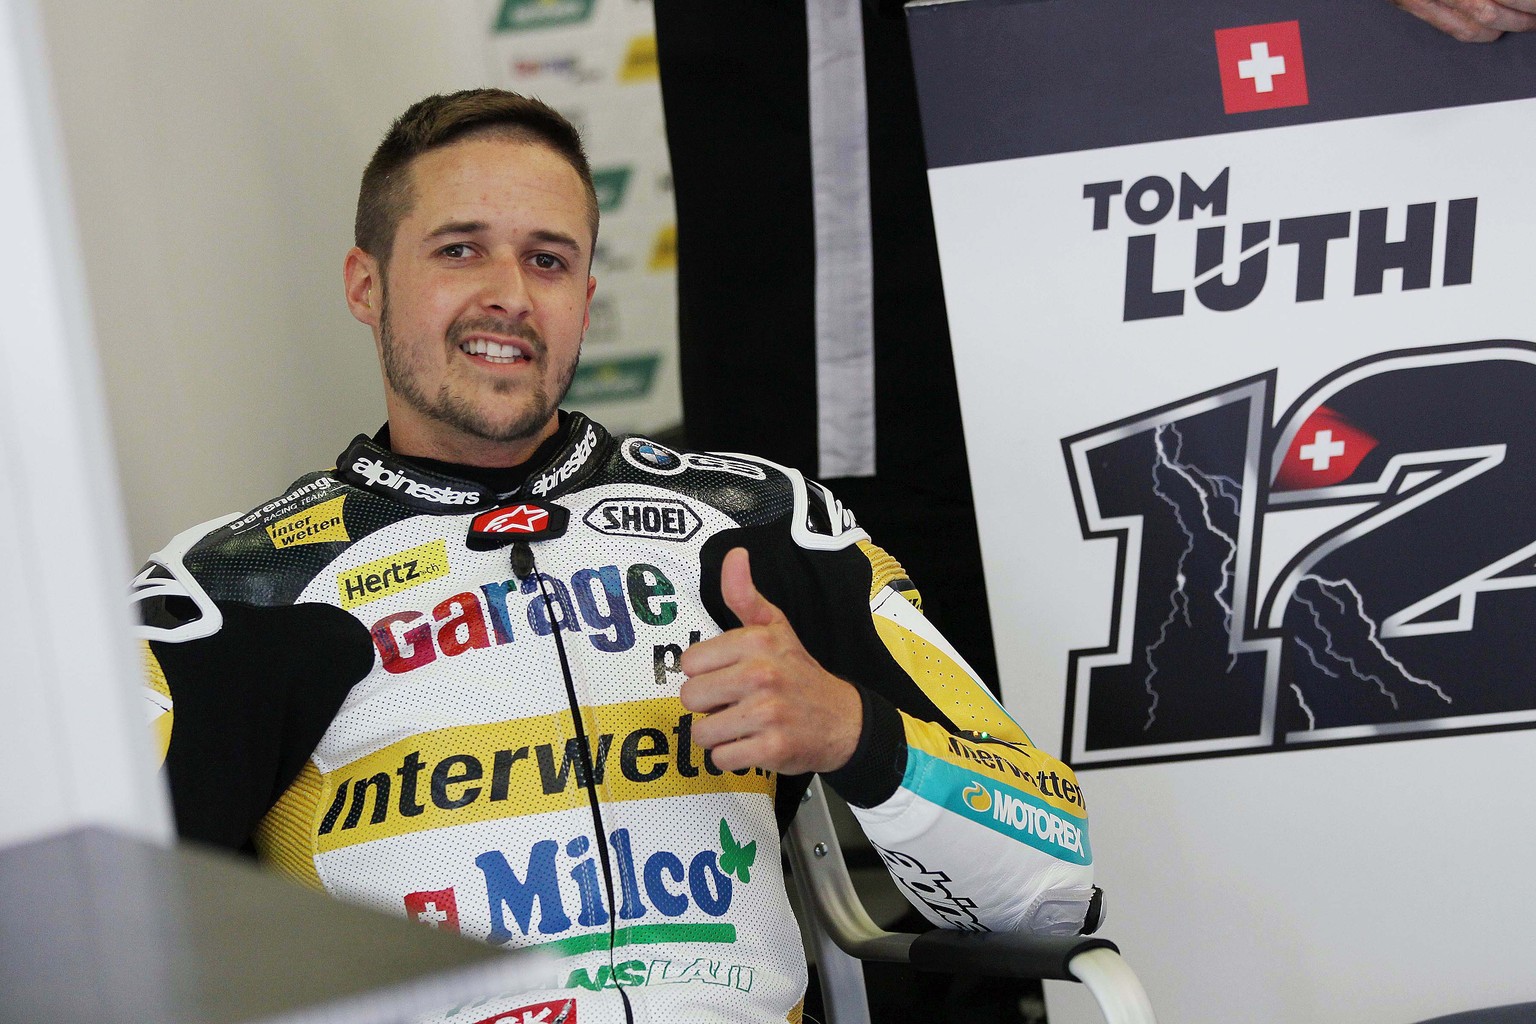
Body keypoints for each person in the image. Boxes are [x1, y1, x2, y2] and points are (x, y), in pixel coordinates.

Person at [133, 90, 1097, 1023]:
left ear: (585, 300)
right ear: (366, 283)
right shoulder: (230, 590)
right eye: (460, 249)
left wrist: (856, 732)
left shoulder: (756, 521)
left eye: (547, 261)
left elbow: (1056, 886)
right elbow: (90, 938)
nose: (510, 296)